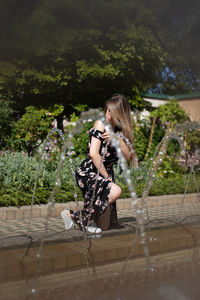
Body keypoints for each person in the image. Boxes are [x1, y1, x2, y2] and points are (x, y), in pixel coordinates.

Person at [61, 94, 135, 233]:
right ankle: (84, 219)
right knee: (116, 191)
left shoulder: (119, 131)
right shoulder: (101, 124)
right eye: (108, 111)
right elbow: (93, 154)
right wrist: (107, 177)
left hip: (103, 173)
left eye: (113, 113)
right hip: (89, 172)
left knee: (105, 226)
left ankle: (71, 215)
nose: (109, 116)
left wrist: (117, 139)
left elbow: (128, 156)